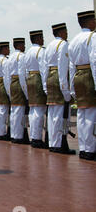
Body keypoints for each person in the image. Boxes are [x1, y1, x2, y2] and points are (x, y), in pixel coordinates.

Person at [43, 23, 75, 155]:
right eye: (65, 31)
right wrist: (66, 90)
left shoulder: (49, 46)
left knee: (52, 113)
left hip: (50, 78)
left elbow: (44, 67)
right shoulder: (63, 45)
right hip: (58, 79)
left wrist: (45, 85)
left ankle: (53, 142)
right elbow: (63, 68)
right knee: (60, 113)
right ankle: (59, 144)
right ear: (61, 33)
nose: (67, 33)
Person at [68, 10, 96, 160]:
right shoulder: (93, 36)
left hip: (78, 76)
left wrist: (72, 87)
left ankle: (84, 147)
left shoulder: (74, 40)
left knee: (81, 114)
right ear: (90, 22)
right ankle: (91, 149)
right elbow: (95, 60)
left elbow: (72, 66)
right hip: (89, 75)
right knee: (92, 113)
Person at [24, 30, 48, 149]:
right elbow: (44, 69)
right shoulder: (41, 51)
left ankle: (33, 136)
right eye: (41, 37)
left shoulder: (28, 52)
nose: (43, 40)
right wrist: (45, 86)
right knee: (39, 111)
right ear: (38, 39)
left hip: (29, 79)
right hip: (38, 78)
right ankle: (37, 138)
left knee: (33, 110)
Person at [5, 38, 30, 144]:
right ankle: (19, 136)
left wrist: (8, 90)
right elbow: (22, 74)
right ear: (19, 45)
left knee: (14, 110)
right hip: (19, 83)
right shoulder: (21, 56)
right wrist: (26, 91)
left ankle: (14, 134)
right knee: (20, 111)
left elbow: (6, 76)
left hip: (12, 83)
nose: (24, 47)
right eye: (23, 45)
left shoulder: (9, 58)